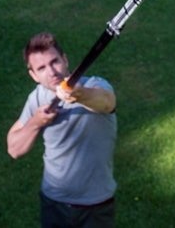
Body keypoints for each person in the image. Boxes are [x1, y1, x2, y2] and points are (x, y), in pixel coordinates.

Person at [7, 32, 117, 228]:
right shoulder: (37, 98)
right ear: (33, 75)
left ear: (65, 60)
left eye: (54, 62)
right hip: (54, 202)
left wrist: (79, 94)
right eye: (41, 68)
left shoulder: (93, 85)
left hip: (96, 205)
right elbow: (14, 149)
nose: (51, 72)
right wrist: (36, 122)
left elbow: (107, 102)